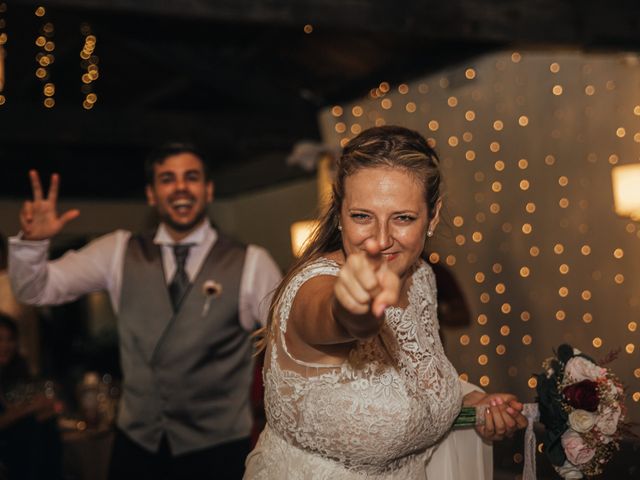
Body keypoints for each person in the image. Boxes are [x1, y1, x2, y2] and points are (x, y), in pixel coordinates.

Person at [245, 126, 528, 479]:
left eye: (403, 218)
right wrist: (355, 310)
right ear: (339, 211)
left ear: (433, 216)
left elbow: (414, 382)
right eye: (362, 216)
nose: (380, 240)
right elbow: (335, 317)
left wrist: (468, 403)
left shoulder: (422, 276)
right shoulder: (312, 288)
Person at [8, 143, 282, 480]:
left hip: (218, 449)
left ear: (208, 190)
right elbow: (35, 290)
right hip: (136, 446)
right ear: (152, 195)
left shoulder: (251, 262)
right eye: (167, 179)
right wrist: (32, 247)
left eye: (191, 177)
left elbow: (290, 343)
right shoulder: (118, 250)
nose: (180, 187)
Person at [0, 313, 63, 480]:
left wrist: (50, 408)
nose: (5, 346)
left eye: (10, 339)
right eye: (0, 339)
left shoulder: (15, 371)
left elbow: (53, 407)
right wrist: (31, 408)